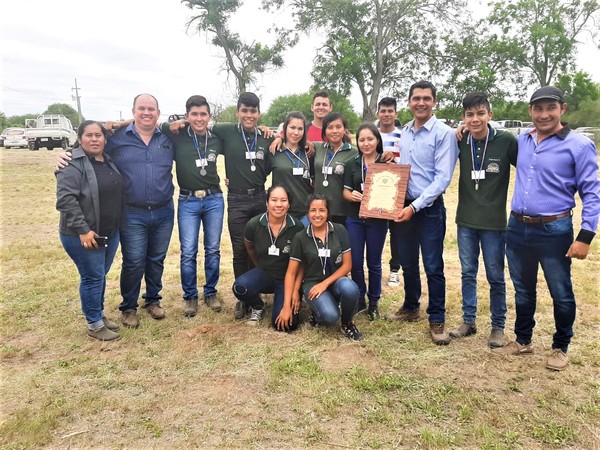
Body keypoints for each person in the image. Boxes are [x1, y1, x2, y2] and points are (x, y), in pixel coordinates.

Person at [493, 86, 600, 371]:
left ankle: (560, 346)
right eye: (538, 109)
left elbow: (592, 193)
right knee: (523, 290)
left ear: (562, 109)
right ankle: (523, 339)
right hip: (517, 227)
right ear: (530, 111)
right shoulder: (524, 141)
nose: (543, 115)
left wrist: (585, 236)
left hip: (555, 229)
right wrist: (461, 131)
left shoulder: (578, 145)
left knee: (561, 292)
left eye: (550, 108)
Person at [55, 95, 175, 328]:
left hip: (163, 211)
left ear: (158, 113)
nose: (146, 113)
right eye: (142, 109)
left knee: (156, 259)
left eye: (151, 109)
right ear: (133, 111)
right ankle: (128, 307)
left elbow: (194, 128)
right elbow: (90, 139)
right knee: (133, 261)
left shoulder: (169, 138)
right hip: (132, 212)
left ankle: (152, 300)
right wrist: (64, 154)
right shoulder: (117, 138)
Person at [387, 81, 459, 346]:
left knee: (433, 265)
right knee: (407, 262)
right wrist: (390, 164)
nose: (421, 103)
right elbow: (405, 168)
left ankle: (437, 317)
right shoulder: (405, 132)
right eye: (416, 98)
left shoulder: (444, 133)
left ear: (434, 102)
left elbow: (442, 179)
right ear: (409, 102)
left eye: (426, 98)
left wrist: (414, 206)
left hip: (428, 209)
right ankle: (410, 306)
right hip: (404, 205)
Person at [449, 91, 517, 348]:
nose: (475, 119)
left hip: (494, 223)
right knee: (467, 272)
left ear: (490, 114)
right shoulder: (460, 140)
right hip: (465, 220)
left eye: (480, 113)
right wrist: (458, 129)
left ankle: (498, 326)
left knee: (495, 275)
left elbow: (529, 168)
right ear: (463, 117)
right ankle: (469, 320)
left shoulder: (506, 141)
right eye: (469, 115)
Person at [56, 121, 124, 341]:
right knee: (92, 277)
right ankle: (94, 324)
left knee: (99, 275)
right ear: (79, 137)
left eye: (98, 135)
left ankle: (98, 315)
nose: (94, 139)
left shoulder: (107, 159)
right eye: (89, 135)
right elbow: (66, 200)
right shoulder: (72, 163)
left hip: (109, 231)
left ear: (105, 138)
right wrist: (83, 230)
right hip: (83, 234)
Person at [209, 92, 274, 319]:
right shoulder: (226, 130)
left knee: (259, 246)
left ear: (259, 113)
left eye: (253, 111)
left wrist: (271, 132)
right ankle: (243, 298)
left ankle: (258, 290)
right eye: (244, 110)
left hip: (259, 198)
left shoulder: (266, 136)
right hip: (236, 199)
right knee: (239, 249)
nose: (249, 115)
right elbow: (201, 124)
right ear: (238, 112)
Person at [159, 95, 224, 317]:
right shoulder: (177, 135)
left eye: (203, 114)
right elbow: (151, 122)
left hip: (214, 199)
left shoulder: (216, 138)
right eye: (194, 114)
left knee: (213, 249)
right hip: (187, 200)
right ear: (187, 116)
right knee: (188, 251)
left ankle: (210, 292)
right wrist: (171, 124)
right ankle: (190, 297)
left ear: (209, 116)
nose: (199, 118)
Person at [277, 194, 363, 340]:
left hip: (336, 281)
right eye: (313, 210)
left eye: (322, 210)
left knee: (350, 288)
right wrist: (287, 304)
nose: (317, 215)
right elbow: (291, 274)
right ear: (308, 213)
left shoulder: (340, 230)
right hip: (312, 285)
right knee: (329, 317)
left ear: (328, 212)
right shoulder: (301, 237)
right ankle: (317, 314)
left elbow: (347, 265)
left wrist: (325, 284)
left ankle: (347, 323)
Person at [232, 185, 305, 327]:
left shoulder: (297, 227)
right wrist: (259, 266)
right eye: (274, 200)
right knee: (240, 287)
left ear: (289, 204)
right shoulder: (254, 224)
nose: (278, 204)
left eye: (283, 200)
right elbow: (250, 247)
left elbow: (302, 263)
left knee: (285, 325)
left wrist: (296, 290)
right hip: (265, 273)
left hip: (287, 279)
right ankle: (258, 306)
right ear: (267, 203)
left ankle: (285, 300)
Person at [343, 123, 389, 320]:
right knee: (355, 262)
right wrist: (351, 195)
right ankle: (359, 298)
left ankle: (374, 302)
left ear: (377, 140)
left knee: (374, 263)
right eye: (362, 140)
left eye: (370, 139)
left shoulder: (386, 163)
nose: (366, 143)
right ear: (357, 142)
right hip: (355, 219)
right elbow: (344, 192)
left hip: (377, 221)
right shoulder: (352, 164)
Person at [376, 97, 403, 287]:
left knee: (397, 233)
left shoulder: (403, 136)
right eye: (383, 111)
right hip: (376, 190)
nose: (386, 114)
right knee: (377, 231)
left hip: (397, 190)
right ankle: (374, 267)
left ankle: (394, 270)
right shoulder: (373, 135)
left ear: (396, 113)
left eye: (390, 111)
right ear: (378, 113)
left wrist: (393, 161)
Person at [313, 112, 358, 224]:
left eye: (338, 127)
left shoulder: (354, 152)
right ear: (324, 131)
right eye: (330, 127)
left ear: (345, 130)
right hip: (319, 209)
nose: (334, 131)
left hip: (342, 210)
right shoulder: (317, 147)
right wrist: (279, 139)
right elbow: (295, 141)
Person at [269, 111, 313, 224]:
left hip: (304, 214)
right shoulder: (275, 150)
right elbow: (259, 174)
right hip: (281, 213)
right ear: (285, 128)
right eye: (292, 127)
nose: (296, 132)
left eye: (300, 129)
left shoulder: (309, 152)